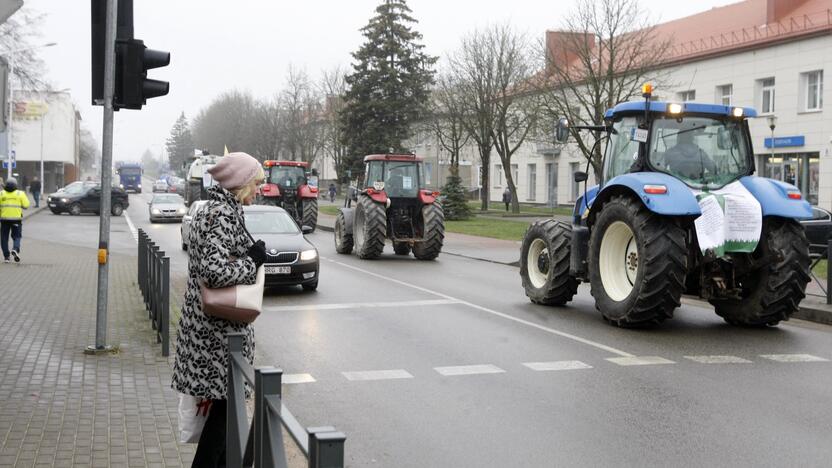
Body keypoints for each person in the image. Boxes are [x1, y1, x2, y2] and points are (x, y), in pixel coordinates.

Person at [171, 152, 267, 467]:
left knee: (227, 417)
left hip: (211, 332)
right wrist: (252, 260)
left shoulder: (216, 209)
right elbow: (215, 272)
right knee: (224, 418)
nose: (258, 191)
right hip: (216, 337)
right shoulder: (222, 214)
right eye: (255, 184)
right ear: (240, 183)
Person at [0, 177, 30, 263]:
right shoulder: (20, 193)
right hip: (16, 220)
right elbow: (26, 205)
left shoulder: (1, 194)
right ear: (16, 185)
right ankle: (15, 249)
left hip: (4, 220)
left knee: (4, 238)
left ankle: (6, 257)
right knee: (17, 236)